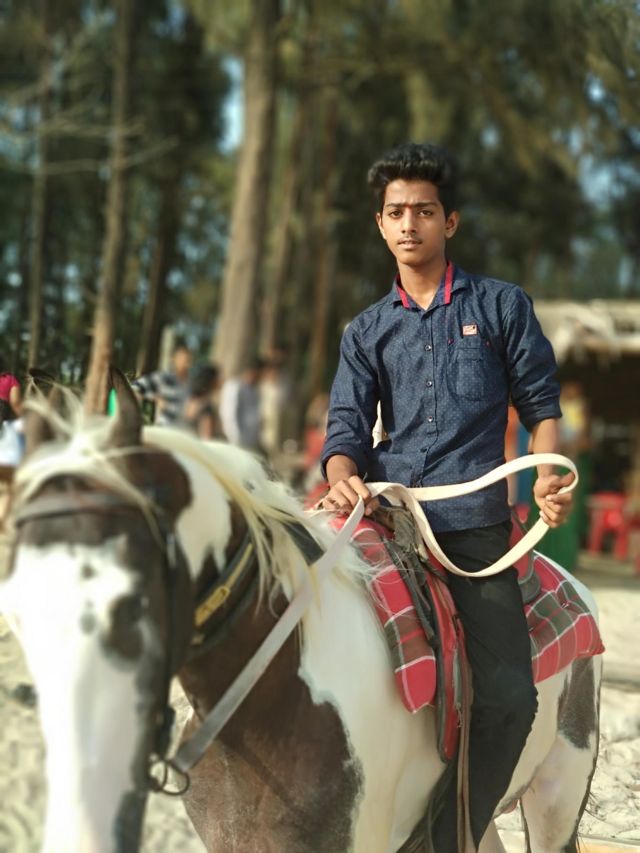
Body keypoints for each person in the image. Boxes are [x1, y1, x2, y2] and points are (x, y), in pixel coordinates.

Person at [320, 142, 574, 852]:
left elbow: (540, 403)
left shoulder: (501, 306)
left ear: (450, 221)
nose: (410, 224)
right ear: (380, 224)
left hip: (472, 527)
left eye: (424, 211)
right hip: (385, 521)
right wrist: (340, 472)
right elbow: (346, 427)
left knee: (511, 698)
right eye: (396, 212)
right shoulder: (365, 331)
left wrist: (547, 474)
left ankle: (448, 838)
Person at [131, 339, 192, 426]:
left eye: (187, 359)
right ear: (173, 360)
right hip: (165, 427)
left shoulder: (193, 383)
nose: (185, 362)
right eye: (181, 359)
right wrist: (154, 397)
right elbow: (135, 386)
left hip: (185, 428)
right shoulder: (164, 378)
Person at [219, 359, 263, 451]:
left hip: (250, 441)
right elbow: (229, 415)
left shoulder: (253, 390)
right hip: (237, 441)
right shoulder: (234, 386)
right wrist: (236, 439)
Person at [181, 364, 222, 439]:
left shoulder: (190, 401)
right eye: (217, 379)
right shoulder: (206, 408)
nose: (220, 382)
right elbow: (207, 438)